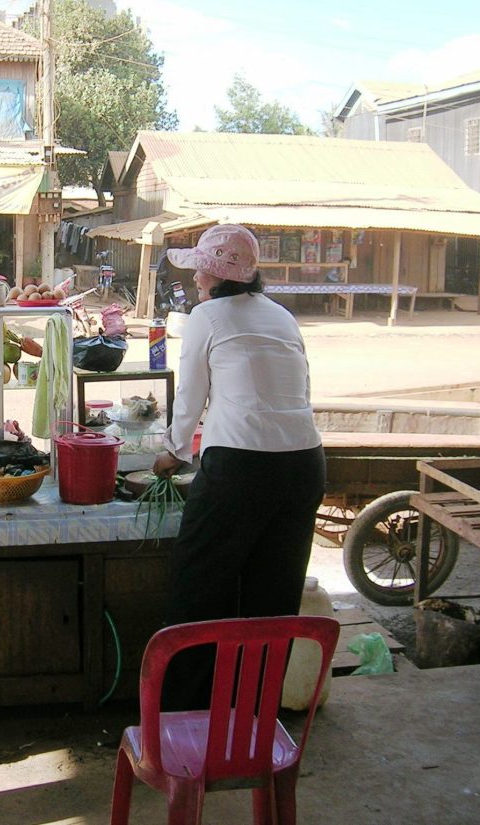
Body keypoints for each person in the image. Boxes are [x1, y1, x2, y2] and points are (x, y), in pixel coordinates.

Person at [152, 225, 325, 711]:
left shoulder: (206, 315)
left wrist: (172, 450)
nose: (194, 283)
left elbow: (189, 396)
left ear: (210, 275)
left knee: (199, 591)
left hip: (241, 468)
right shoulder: (283, 316)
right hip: (304, 465)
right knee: (272, 599)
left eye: (198, 273)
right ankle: (253, 718)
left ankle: (185, 717)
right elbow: (299, 390)